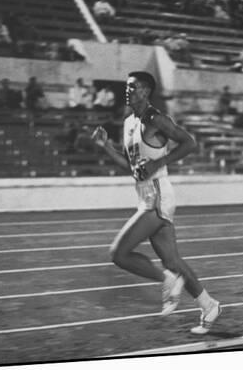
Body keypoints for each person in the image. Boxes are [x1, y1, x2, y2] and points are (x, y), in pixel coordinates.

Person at [91, 71, 221, 334]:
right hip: (144, 196)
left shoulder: (156, 118)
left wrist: (160, 161)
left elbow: (189, 143)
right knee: (173, 261)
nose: (128, 90)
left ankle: (167, 281)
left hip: (159, 197)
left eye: (133, 86)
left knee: (119, 253)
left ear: (146, 91)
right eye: (127, 86)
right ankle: (209, 305)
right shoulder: (128, 123)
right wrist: (106, 146)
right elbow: (130, 166)